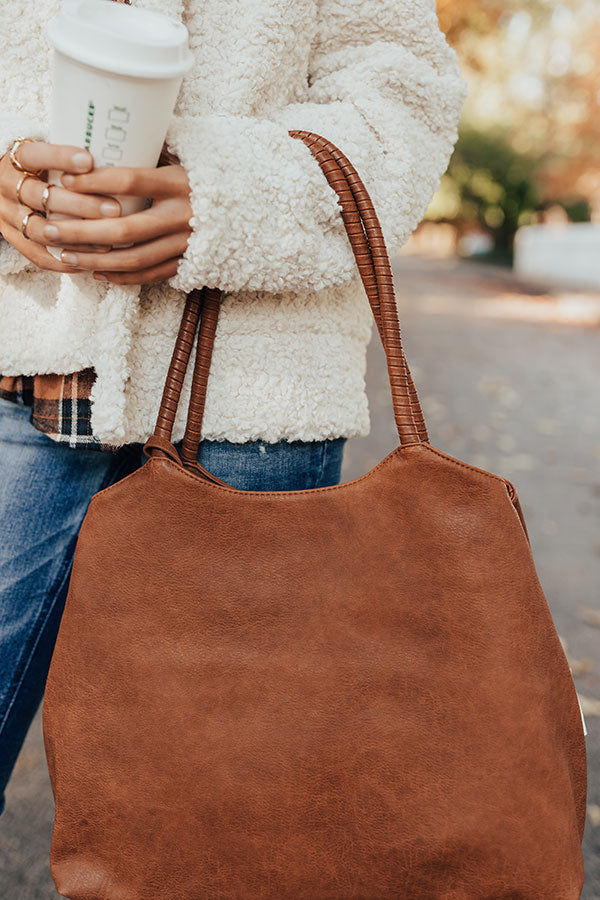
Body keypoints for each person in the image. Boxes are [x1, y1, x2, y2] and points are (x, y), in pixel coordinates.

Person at [0, 0, 466, 815]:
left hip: (254, 393)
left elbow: (402, 87)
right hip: (21, 361)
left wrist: (229, 193)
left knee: (215, 816)